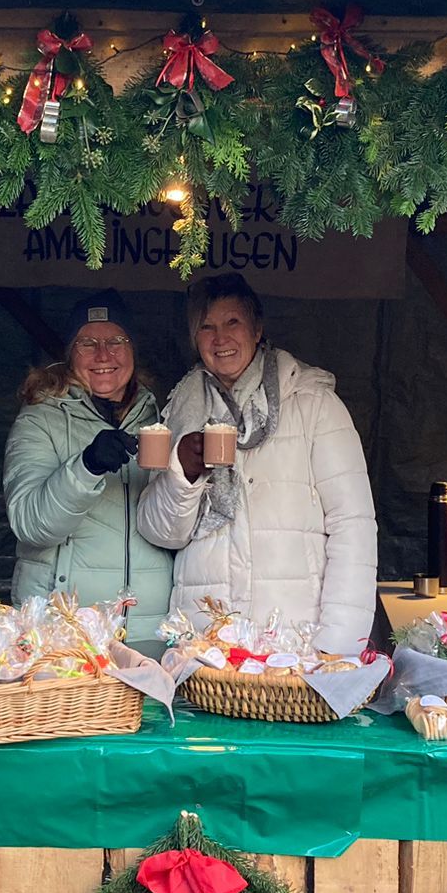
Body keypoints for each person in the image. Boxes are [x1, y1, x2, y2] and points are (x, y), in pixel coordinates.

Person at [136, 274, 377, 654]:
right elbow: (161, 533)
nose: (220, 338)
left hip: (294, 639)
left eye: (232, 322)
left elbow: (353, 525)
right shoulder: (182, 409)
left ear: (257, 329)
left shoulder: (313, 404)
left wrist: (339, 642)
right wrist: (183, 476)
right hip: (206, 640)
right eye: (206, 327)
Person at [3, 289, 173, 628]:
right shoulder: (40, 418)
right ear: (70, 354)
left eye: (116, 341)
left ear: (133, 350)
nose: (103, 354)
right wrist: (86, 466)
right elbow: (30, 525)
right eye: (87, 343)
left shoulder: (161, 414)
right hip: (63, 626)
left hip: (148, 625)